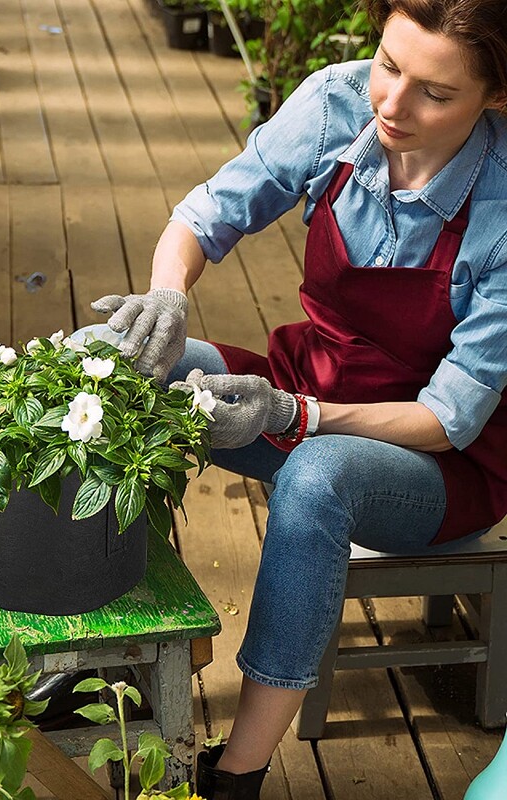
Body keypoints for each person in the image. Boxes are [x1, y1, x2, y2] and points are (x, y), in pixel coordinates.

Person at [82, 1, 507, 797]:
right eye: (388, 64)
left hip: (437, 466)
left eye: (436, 94)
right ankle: (99, 662)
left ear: (495, 98)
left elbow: (450, 420)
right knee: (104, 361)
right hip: (305, 381)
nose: (392, 103)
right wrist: (167, 298)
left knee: (316, 476)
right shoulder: (335, 105)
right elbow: (203, 216)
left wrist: (294, 416)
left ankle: (236, 772)